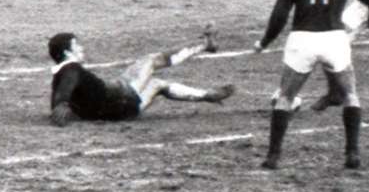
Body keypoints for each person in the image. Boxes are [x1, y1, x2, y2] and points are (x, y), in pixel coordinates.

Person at [254, 0, 369, 171]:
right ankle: (352, 153)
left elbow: (280, 14)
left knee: (285, 97)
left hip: (302, 39)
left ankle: (273, 156)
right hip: (334, 39)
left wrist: (264, 42)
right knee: (350, 95)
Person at [47, 27, 233, 124]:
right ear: (67, 52)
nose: (81, 48)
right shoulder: (70, 69)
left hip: (122, 110)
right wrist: (62, 103)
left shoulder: (59, 74)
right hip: (120, 98)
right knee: (151, 61)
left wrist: (61, 105)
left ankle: (209, 95)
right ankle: (204, 45)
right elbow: (67, 86)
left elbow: (62, 91)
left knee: (158, 84)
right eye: (76, 45)